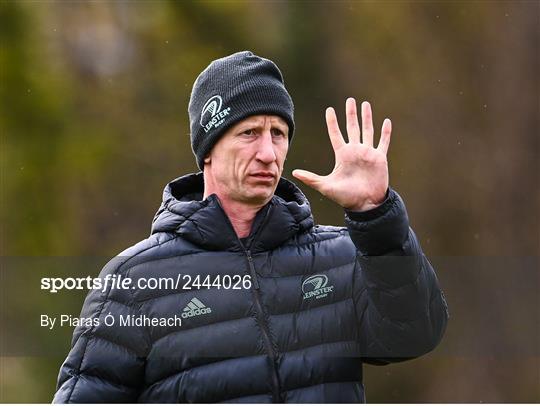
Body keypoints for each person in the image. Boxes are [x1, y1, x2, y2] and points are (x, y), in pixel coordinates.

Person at [53, 51, 448, 403]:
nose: (267, 153)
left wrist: (375, 218)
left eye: (278, 133)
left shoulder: (341, 255)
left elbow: (413, 334)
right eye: (249, 133)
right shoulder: (132, 283)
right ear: (208, 149)